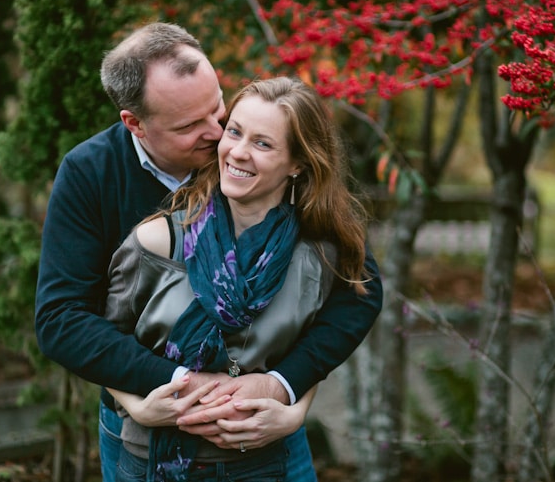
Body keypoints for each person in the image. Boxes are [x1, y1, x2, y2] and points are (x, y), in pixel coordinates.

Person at [34, 22, 383, 481]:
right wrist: (162, 387)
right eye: (190, 125)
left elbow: (347, 293)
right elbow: (63, 319)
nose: (219, 133)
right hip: (144, 436)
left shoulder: (258, 156)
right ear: (135, 124)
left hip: (264, 438)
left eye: (217, 107)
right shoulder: (91, 174)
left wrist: (288, 390)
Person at [104, 76, 372, 481]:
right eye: (234, 132)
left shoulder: (319, 258)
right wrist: (138, 407)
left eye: (263, 143)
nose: (239, 152)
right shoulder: (157, 241)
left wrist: (292, 410)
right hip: (149, 461)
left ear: (298, 163)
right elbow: (104, 344)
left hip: (261, 464)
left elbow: (313, 351)